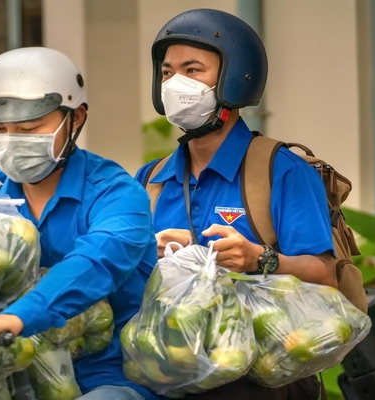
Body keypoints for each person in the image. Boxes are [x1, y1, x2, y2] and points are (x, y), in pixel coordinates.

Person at [0, 47, 160, 400]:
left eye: (30, 127)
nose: (12, 139)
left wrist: (15, 319)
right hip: (8, 374)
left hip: (109, 376)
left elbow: (97, 261)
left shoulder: (117, 194)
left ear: (76, 118)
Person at [135, 8, 337, 400]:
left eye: (193, 70)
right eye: (167, 72)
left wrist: (259, 259)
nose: (176, 83)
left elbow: (324, 275)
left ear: (234, 79)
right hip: (170, 371)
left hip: (262, 376)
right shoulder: (149, 180)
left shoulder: (281, 170)